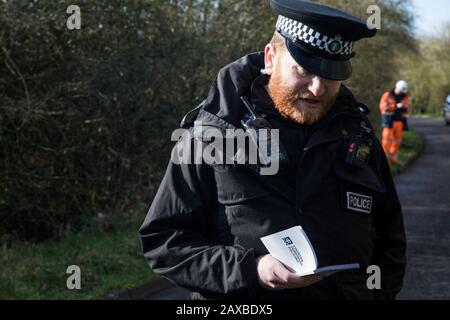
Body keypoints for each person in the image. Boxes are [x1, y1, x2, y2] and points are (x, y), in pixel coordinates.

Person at [139, 0, 406, 300]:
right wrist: (251, 270)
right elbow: (163, 241)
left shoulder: (359, 136)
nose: (317, 88)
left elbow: (390, 244)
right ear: (270, 58)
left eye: (331, 77)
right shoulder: (212, 133)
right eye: (303, 70)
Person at [379, 80, 411, 164]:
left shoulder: (405, 96)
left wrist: (404, 107)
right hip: (388, 121)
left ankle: (393, 159)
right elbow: (383, 107)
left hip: (399, 121)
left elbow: (407, 107)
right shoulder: (387, 95)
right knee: (386, 140)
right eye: (401, 90)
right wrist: (395, 106)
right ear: (397, 88)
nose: (402, 93)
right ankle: (383, 160)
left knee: (397, 140)